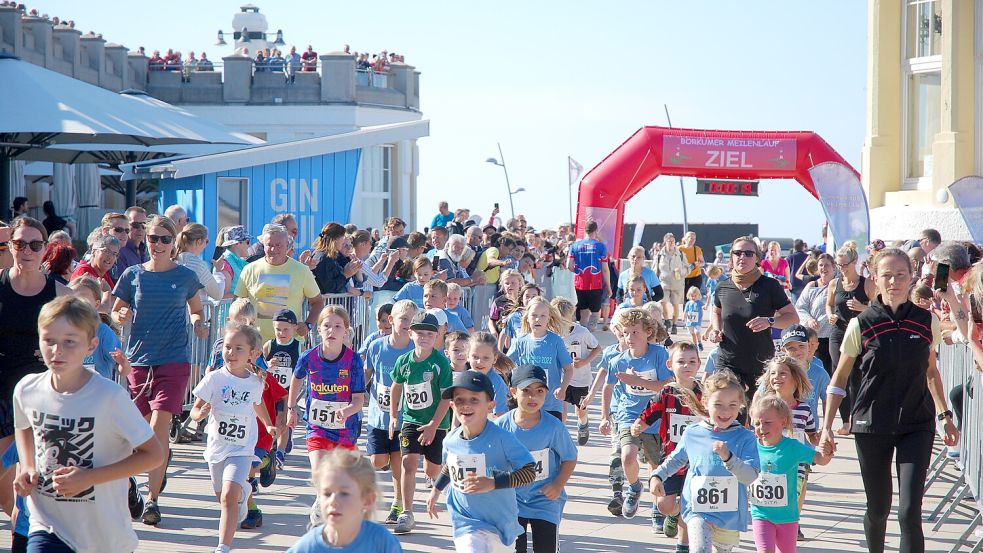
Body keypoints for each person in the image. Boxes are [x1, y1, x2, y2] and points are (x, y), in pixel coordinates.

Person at [819, 248, 960, 553]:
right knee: (879, 508)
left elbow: (931, 372)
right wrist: (827, 427)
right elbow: (839, 378)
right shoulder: (861, 324)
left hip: (916, 424)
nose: (894, 281)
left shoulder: (926, 321)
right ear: (875, 278)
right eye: (887, 275)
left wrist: (944, 415)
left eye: (900, 275)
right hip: (872, 424)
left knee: (909, 511)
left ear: (911, 277)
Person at [12, 296, 164, 553]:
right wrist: (27, 465)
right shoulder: (27, 389)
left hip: (104, 536)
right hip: (48, 525)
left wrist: (90, 478)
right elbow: (24, 426)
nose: (57, 350)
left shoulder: (110, 397)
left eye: (69, 342)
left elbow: (154, 454)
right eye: (49, 340)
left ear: (92, 345)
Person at [111, 215, 207, 526]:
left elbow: (196, 308)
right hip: (139, 360)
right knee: (138, 430)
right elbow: (116, 310)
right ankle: (144, 475)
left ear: (174, 242)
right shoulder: (133, 274)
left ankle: (152, 501)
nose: (159, 244)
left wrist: (198, 323)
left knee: (158, 426)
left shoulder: (185, 276)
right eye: (153, 238)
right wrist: (121, 315)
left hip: (174, 359)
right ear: (146, 241)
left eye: (165, 239)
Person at [425, 370, 537, 553]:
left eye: (474, 400)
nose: (466, 405)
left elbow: (530, 472)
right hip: (466, 522)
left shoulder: (503, 438)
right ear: (452, 405)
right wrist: (436, 490)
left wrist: (493, 483)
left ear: (490, 405)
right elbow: (450, 466)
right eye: (459, 400)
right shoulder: (450, 440)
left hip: (500, 524)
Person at [650, 370, 760, 553]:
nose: (725, 411)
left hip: (729, 515)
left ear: (741, 404)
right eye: (718, 404)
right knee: (700, 549)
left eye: (732, 405)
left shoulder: (746, 438)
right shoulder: (693, 432)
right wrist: (657, 476)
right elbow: (676, 459)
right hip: (697, 509)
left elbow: (750, 477)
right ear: (705, 402)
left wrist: (729, 458)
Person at [189, 323, 276, 553]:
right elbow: (194, 410)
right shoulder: (214, 379)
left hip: (242, 448)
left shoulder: (255, 381)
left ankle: (223, 547)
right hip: (217, 448)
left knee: (228, 497)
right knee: (222, 496)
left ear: (251, 354)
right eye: (228, 347)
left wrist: (268, 424)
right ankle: (245, 492)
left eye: (239, 348)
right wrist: (199, 414)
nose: (231, 353)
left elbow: (257, 404)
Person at [0, 217, 66, 517]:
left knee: (28, 481)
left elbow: (79, 340)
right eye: (19, 243)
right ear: (10, 246)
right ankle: (22, 531)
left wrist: (55, 350)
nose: (27, 250)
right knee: (6, 492)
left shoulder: (60, 294)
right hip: (2, 389)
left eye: (35, 245)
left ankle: (27, 533)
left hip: (40, 394)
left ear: (45, 249)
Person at [705, 236, 798, 406]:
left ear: (757, 258)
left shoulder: (769, 286)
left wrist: (769, 321)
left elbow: (792, 317)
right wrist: (716, 330)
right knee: (729, 410)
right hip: (728, 361)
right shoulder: (723, 287)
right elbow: (716, 311)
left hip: (760, 362)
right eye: (737, 253)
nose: (742, 257)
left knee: (757, 413)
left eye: (748, 253)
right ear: (731, 257)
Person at [495, 365, 578, 553]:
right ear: (513, 392)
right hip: (512, 501)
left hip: (545, 500)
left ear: (546, 393)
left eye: (539, 391)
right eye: (526, 391)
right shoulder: (501, 427)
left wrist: (558, 485)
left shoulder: (554, 427)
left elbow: (570, 458)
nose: (533, 397)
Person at [600, 308, 671, 523]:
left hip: (656, 417)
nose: (629, 338)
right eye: (625, 333)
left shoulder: (659, 354)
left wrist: (638, 381)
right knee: (627, 456)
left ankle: (657, 509)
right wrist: (604, 416)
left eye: (635, 332)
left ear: (648, 332)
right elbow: (607, 387)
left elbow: (667, 385)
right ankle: (634, 487)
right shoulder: (619, 361)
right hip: (629, 415)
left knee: (655, 466)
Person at [388, 311, 454, 534]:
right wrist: (393, 415)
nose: (424, 337)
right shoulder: (403, 362)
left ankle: (444, 485)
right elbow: (396, 387)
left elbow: (446, 398)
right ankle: (407, 513)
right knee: (408, 463)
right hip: (411, 420)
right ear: (410, 333)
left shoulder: (440, 363)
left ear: (437, 337)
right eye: (420, 333)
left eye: (429, 334)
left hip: (437, 423)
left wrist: (434, 425)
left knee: (432, 470)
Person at [631, 341, 703, 545]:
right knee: (664, 505)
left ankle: (683, 545)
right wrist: (639, 425)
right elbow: (650, 412)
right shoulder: (666, 393)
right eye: (681, 361)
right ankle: (675, 513)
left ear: (698, 365)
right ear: (670, 365)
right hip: (672, 459)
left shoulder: (705, 393)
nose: (687, 366)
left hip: (697, 462)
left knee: (691, 504)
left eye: (692, 361)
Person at [749, 394, 832, 553]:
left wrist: (827, 452)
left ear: (783, 422)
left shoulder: (792, 447)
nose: (761, 427)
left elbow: (819, 459)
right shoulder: (750, 447)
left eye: (767, 422)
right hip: (761, 514)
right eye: (757, 423)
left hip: (787, 516)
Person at [287, 304, 365, 464]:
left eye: (337, 326)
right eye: (327, 326)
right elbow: (296, 378)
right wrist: (291, 408)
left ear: (345, 331)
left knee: (341, 476)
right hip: (317, 428)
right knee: (319, 471)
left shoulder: (353, 360)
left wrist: (347, 411)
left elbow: (359, 399)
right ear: (319, 330)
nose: (331, 331)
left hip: (345, 429)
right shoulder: (308, 357)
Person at [363, 300, 417, 525]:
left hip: (405, 417)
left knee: (399, 463)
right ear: (391, 320)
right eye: (403, 319)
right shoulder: (376, 346)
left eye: (412, 320)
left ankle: (398, 504)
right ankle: (382, 458)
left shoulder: (416, 349)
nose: (407, 324)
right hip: (379, 416)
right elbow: (368, 372)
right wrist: (358, 393)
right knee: (377, 461)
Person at [286, 448, 403, 552]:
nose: (333, 501)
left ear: (367, 500)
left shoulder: (382, 542)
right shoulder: (308, 547)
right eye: (327, 494)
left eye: (344, 494)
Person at [236, 223, 324, 342]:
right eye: (269, 245)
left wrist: (308, 324)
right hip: (257, 343)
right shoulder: (250, 269)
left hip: (291, 344)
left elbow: (318, 302)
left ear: (287, 245)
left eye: (278, 245)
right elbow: (237, 303)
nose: (273, 249)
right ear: (263, 245)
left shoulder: (301, 270)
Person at [824, 244, 876, 435]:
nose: (842, 268)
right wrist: (830, 315)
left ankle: (855, 417)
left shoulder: (867, 284)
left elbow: (879, 309)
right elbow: (829, 304)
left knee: (856, 376)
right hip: (838, 332)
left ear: (854, 262)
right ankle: (846, 420)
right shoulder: (834, 284)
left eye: (845, 265)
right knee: (838, 373)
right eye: (838, 265)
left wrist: (862, 308)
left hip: (860, 333)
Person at [507, 297, 573, 420]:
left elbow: (568, 369)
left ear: (549, 318)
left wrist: (563, 388)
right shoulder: (520, 342)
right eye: (534, 315)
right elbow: (506, 365)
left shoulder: (556, 341)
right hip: (526, 403)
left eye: (543, 316)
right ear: (527, 317)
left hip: (551, 403)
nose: (538, 319)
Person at [552, 297, 600, 445]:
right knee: (562, 412)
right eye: (557, 320)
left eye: (564, 320)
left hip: (581, 379)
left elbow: (597, 348)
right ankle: (561, 440)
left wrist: (584, 361)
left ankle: (583, 423)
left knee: (580, 411)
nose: (560, 324)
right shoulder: (553, 334)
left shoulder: (582, 332)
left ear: (572, 316)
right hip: (562, 379)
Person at [68, 277, 131, 381]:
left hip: (99, 389)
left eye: (84, 300)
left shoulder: (103, 332)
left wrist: (123, 364)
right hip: (70, 389)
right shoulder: (62, 331)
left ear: (96, 304)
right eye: (73, 300)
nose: (78, 305)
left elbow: (123, 371)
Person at [794, 254, 836, 374]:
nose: (823, 268)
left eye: (827, 265)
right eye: (821, 265)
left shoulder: (840, 285)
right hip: (815, 338)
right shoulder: (812, 286)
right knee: (817, 371)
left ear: (833, 267)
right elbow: (800, 307)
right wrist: (809, 320)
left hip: (834, 336)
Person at [566, 220, 611, 330]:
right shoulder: (600, 246)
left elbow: (569, 265)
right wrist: (608, 286)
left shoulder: (575, 245)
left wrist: (578, 271)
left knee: (583, 309)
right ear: (596, 230)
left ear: (585, 231)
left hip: (580, 283)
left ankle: (583, 331)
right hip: (595, 283)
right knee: (595, 311)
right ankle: (590, 331)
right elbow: (605, 269)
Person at [465, 332, 514, 418]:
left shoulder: (497, 383)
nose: (479, 362)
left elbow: (500, 416)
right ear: (468, 356)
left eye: (486, 358)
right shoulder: (464, 378)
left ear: (494, 359)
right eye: (475, 357)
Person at [175, 223, 223, 301]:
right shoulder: (198, 265)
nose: (206, 245)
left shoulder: (172, 261)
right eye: (206, 241)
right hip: (195, 308)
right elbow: (218, 294)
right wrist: (218, 271)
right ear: (199, 241)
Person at [655, 233, 687, 334]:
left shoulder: (680, 254)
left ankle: (674, 325)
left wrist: (681, 272)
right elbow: (655, 269)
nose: (671, 243)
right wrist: (655, 282)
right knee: (662, 302)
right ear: (665, 242)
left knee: (675, 305)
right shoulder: (660, 255)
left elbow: (687, 268)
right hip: (663, 283)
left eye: (673, 241)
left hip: (677, 283)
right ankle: (666, 320)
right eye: (669, 241)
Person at [214, 225, 251, 298]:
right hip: (231, 306)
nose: (249, 245)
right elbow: (223, 296)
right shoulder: (225, 262)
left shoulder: (239, 262)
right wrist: (248, 297)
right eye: (247, 242)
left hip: (240, 304)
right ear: (237, 243)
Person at [113, 206, 148, 278]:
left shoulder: (146, 250)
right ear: (126, 225)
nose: (140, 229)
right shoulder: (120, 251)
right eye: (135, 225)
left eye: (144, 225)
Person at [679, 231, 705, 297]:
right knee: (684, 297)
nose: (693, 240)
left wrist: (697, 264)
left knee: (694, 297)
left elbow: (703, 263)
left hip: (695, 277)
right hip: (683, 277)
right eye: (691, 238)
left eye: (694, 239)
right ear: (686, 239)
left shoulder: (697, 249)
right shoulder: (679, 249)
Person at [683, 287, 705, 351]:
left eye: (695, 296)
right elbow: (686, 311)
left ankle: (699, 343)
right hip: (690, 322)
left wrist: (704, 307)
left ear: (698, 295)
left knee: (697, 332)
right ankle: (695, 345)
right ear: (689, 296)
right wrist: (684, 317)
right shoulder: (688, 303)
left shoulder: (699, 302)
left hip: (697, 322)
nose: (693, 297)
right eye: (692, 296)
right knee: (693, 334)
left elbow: (704, 306)